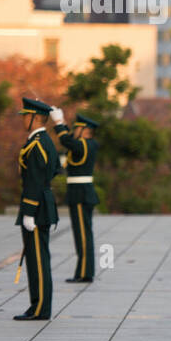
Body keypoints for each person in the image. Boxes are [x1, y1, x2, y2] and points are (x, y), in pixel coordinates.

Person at [15, 97, 60, 321]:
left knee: (39, 260)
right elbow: (54, 170)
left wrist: (29, 211)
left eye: (25, 115)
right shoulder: (44, 141)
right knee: (35, 258)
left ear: (35, 118)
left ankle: (41, 308)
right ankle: (37, 305)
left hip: (37, 206)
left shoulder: (38, 143)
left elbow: (34, 179)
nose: (23, 119)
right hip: (42, 202)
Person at [52, 110, 100, 283]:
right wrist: (62, 123)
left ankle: (85, 273)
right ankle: (83, 271)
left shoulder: (84, 145)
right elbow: (69, 142)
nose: (74, 131)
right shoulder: (85, 144)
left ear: (84, 130)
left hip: (81, 194)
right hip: (80, 193)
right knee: (81, 234)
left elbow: (66, 140)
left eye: (76, 129)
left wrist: (58, 123)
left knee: (83, 235)